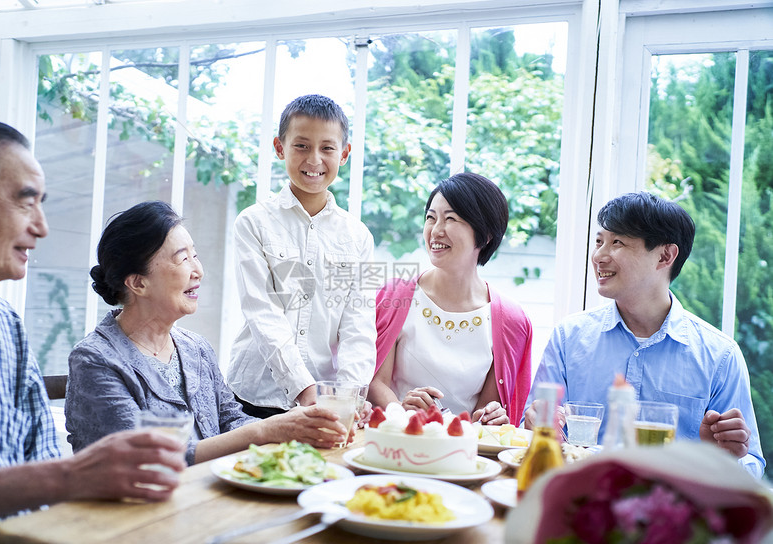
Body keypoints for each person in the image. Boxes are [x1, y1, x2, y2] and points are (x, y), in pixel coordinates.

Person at [0, 117, 186, 544]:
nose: (41, 227)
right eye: (25, 204)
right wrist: (72, 475)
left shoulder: (6, 326)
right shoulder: (99, 354)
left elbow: (42, 466)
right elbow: (53, 476)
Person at [65, 201, 351, 463]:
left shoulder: (195, 348)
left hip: (206, 499)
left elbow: (230, 421)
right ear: (138, 283)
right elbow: (141, 459)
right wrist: (265, 430)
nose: (198, 270)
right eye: (182, 259)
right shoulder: (95, 360)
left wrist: (301, 424)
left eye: (195, 255)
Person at [527, 192, 765, 477]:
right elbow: (528, 435)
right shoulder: (569, 338)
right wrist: (537, 423)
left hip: (671, 513)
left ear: (665, 255)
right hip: (580, 505)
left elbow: (751, 466)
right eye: (599, 241)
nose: (599, 256)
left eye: (617, 243)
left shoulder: (720, 356)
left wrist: (722, 458)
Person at [227, 94, 376, 418]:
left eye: (327, 148)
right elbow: (262, 312)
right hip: (256, 397)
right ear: (280, 148)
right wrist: (305, 390)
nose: (314, 159)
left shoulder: (360, 237)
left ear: (344, 153)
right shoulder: (253, 223)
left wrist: (349, 397)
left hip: (328, 401)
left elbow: (358, 325)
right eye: (301, 146)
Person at [369, 172, 533, 425]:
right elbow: (374, 381)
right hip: (397, 441)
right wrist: (401, 411)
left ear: (486, 234)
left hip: (463, 453)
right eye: (430, 218)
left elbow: (486, 415)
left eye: (451, 219)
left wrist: (491, 417)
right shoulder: (395, 295)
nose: (435, 231)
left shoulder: (511, 320)